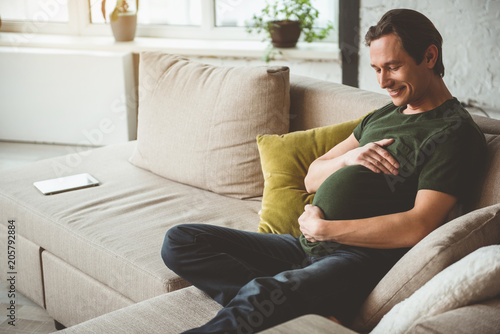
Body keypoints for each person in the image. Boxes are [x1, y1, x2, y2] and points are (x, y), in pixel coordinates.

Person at [161, 9, 486, 334]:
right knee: (181, 241)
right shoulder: (385, 114)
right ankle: (304, 306)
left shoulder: (453, 131)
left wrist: (326, 229)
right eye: (376, 69)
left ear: (429, 56)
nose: (383, 82)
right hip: (304, 245)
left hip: (357, 258)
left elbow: (418, 225)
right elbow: (312, 175)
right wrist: (350, 158)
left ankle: (286, 299)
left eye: (393, 67)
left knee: (264, 294)